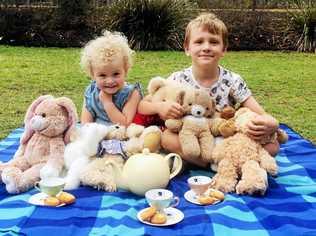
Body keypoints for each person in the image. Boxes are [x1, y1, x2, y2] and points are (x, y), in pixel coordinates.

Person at [138, 13, 280, 168]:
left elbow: (259, 112)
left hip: (225, 136)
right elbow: (142, 106)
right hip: (192, 138)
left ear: (224, 49)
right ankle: (221, 164)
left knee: (273, 146)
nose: (206, 47)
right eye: (199, 42)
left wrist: (272, 123)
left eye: (213, 42)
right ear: (187, 48)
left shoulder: (232, 80)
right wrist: (160, 107)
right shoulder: (178, 79)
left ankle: (218, 162)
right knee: (166, 138)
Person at [80, 31, 142, 126]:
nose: (110, 81)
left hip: (120, 137)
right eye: (102, 75)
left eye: (116, 74)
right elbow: (85, 124)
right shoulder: (91, 92)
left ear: (125, 70)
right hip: (96, 135)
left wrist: (107, 103)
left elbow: (125, 124)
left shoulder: (131, 93)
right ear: (93, 75)